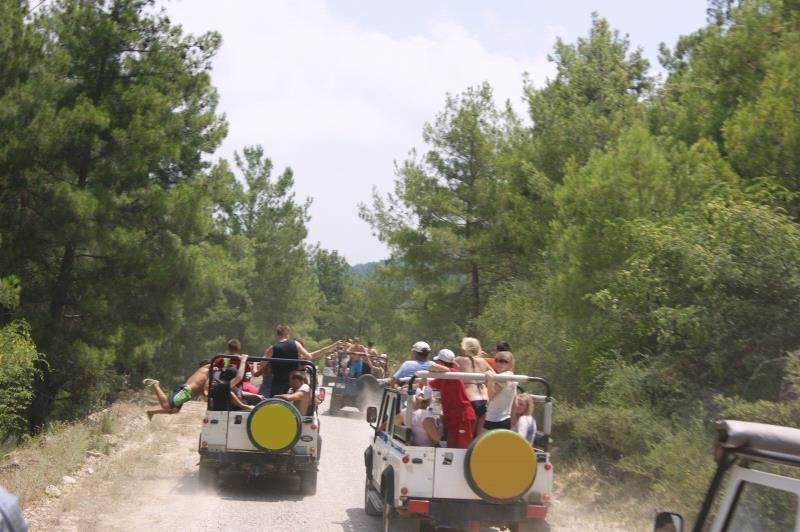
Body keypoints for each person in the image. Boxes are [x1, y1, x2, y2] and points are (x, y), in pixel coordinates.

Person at [426, 349, 476, 448]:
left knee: (462, 450)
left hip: (463, 418)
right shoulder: (442, 378)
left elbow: (432, 367)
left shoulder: (453, 375)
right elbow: (430, 385)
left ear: (440, 362)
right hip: (453, 419)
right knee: (451, 449)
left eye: (438, 361)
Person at [255, 324, 313, 397]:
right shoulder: (296, 343)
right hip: (293, 382)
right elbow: (309, 356)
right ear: (286, 333)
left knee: (276, 402)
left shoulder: (272, 348)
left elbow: (262, 365)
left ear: (278, 334)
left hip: (277, 382)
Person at [143, 359, 212, 420]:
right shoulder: (207, 369)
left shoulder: (205, 377)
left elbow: (204, 393)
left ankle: (151, 412)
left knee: (175, 410)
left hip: (186, 392)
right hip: (186, 392)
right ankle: (155, 384)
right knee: (166, 405)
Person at [484, 351, 516, 431]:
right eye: (497, 360)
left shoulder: (505, 376)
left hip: (497, 420)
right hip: (498, 419)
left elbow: (491, 396)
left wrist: (490, 380)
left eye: (503, 361)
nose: (498, 363)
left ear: (510, 364)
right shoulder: (508, 376)